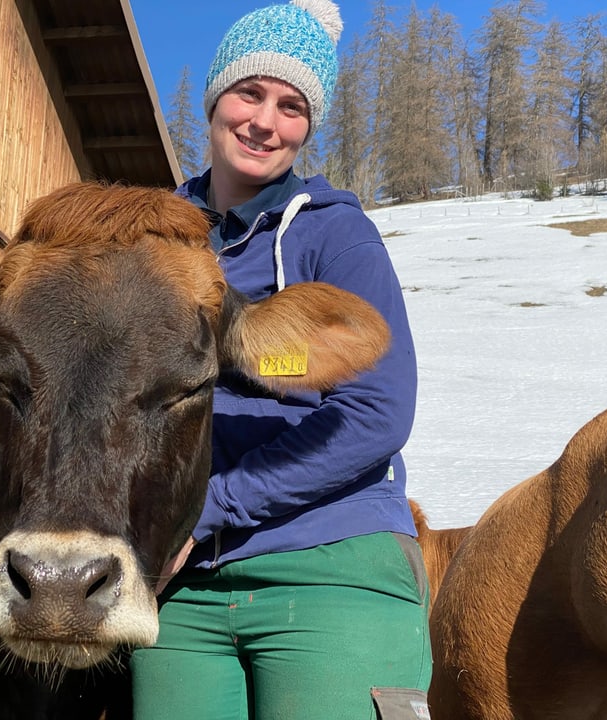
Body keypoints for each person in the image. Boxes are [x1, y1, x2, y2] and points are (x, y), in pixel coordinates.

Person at [129, 1, 432, 718]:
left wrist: (213, 507)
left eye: (292, 106)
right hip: (183, 588)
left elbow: (378, 412)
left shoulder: (337, 238)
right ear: (215, 97)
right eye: (250, 93)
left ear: (308, 125)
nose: (266, 121)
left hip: (333, 563)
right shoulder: (148, 242)